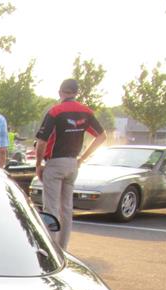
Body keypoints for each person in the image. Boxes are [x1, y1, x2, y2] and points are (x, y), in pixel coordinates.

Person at [34, 78, 106, 250]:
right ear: (76, 93)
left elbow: (42, 141)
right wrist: (82, 158)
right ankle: (63, 247)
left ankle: (51, 248)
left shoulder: (56, 111)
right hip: (73, 163)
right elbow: (102, 136)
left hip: (55, 162)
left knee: (51, 208)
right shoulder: (86, 112)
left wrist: (38, 164)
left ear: (60, 92)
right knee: (66, 209)